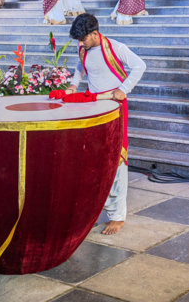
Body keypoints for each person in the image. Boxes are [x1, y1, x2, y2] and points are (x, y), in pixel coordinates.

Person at [67, 13, 147, 235]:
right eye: (79, 41)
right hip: (93, 106)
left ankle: (117, 216)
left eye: (83, 39)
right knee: (93, 158)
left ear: (95, 33)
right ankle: (92, 210)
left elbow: (140, 66)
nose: (80, 44)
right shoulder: (82, 48)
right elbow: (80, 68)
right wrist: (74, 85)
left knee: (117, 159)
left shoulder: (115, 47)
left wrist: (124, 89)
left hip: (114, 107)